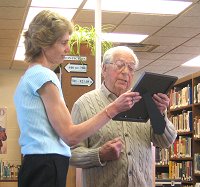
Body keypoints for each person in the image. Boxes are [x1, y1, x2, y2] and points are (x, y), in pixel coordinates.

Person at [13, 10, 140, 187]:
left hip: (38, 164)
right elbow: (70, 136)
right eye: (63, 42)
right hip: (46, 166)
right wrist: (114, 109)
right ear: (45, 43)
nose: (67, 49)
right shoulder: (43, 77)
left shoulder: (30, 76)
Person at [70, 46, 177, 187]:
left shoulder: (143, 101)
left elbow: (166, 142)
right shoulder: (83, 104)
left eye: (131, 68)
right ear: (104, 69)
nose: (126, 72)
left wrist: (159, 114)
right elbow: (71, 154)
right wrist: (100, 154)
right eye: (120, 65)